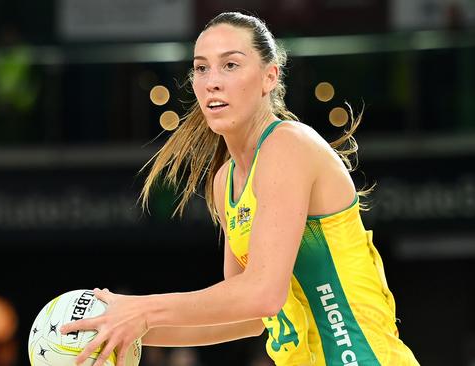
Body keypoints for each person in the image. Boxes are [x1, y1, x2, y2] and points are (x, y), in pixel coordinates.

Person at [60, 11, 420, 366]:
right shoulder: (225, 180)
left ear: (269, 77)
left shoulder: (287, 146)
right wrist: (120, 329)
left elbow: (262, 294)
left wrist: (142, 309)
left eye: (230, 65)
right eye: (201, 68)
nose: (212, 81)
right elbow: (246, 318)